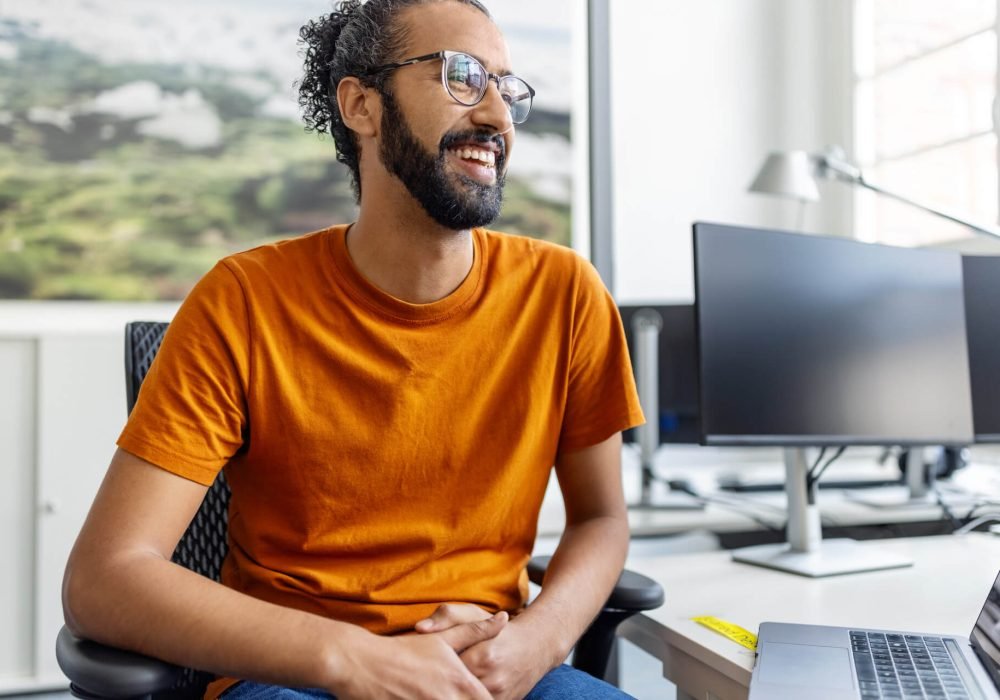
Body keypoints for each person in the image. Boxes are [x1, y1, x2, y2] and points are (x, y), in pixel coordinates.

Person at [61, 0, 643, 698]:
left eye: (506, 88)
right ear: (361, 105)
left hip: (492, 671)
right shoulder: (244, 299)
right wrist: (351, 656)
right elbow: (105, 575)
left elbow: (603, 518)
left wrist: (537, 641)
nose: (496, 115)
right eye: (462, 76)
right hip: (299, 677)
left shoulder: (566, 294)